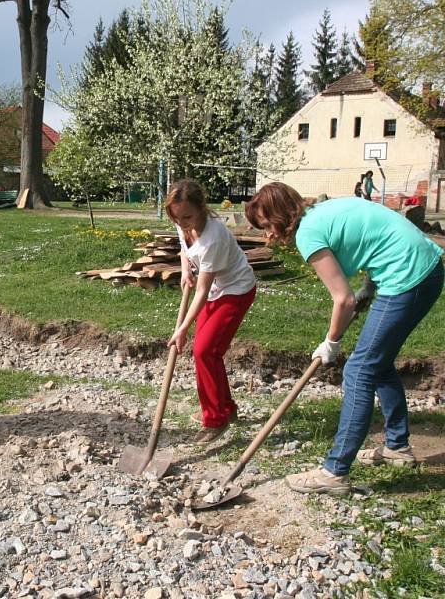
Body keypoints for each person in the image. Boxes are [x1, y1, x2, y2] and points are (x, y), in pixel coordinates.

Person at [245, 182, 443, 495]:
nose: (268, 234)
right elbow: (375, 237)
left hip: (408, 276)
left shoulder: (308, 233)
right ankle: (397, 448)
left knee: (359, 370)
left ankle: (335, 472)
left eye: (268, 225)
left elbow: (343, 299)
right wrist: (370, 285)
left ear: (282, 216)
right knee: (378, 362)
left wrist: (331, 343)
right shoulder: (323, 211)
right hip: (421, 268)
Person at [165, 180, 257, 443]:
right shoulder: (182, 221)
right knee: (206, 352)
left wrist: (181, 329)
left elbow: (202, 292)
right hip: (218, 288)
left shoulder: (213, 238)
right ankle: (226, 408)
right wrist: (185, 269)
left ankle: (215, 420)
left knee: (205, 350)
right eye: (176, 216)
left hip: (237, 291)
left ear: (201, 209)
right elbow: (184, 249)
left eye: (187, 216)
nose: (181, 222)